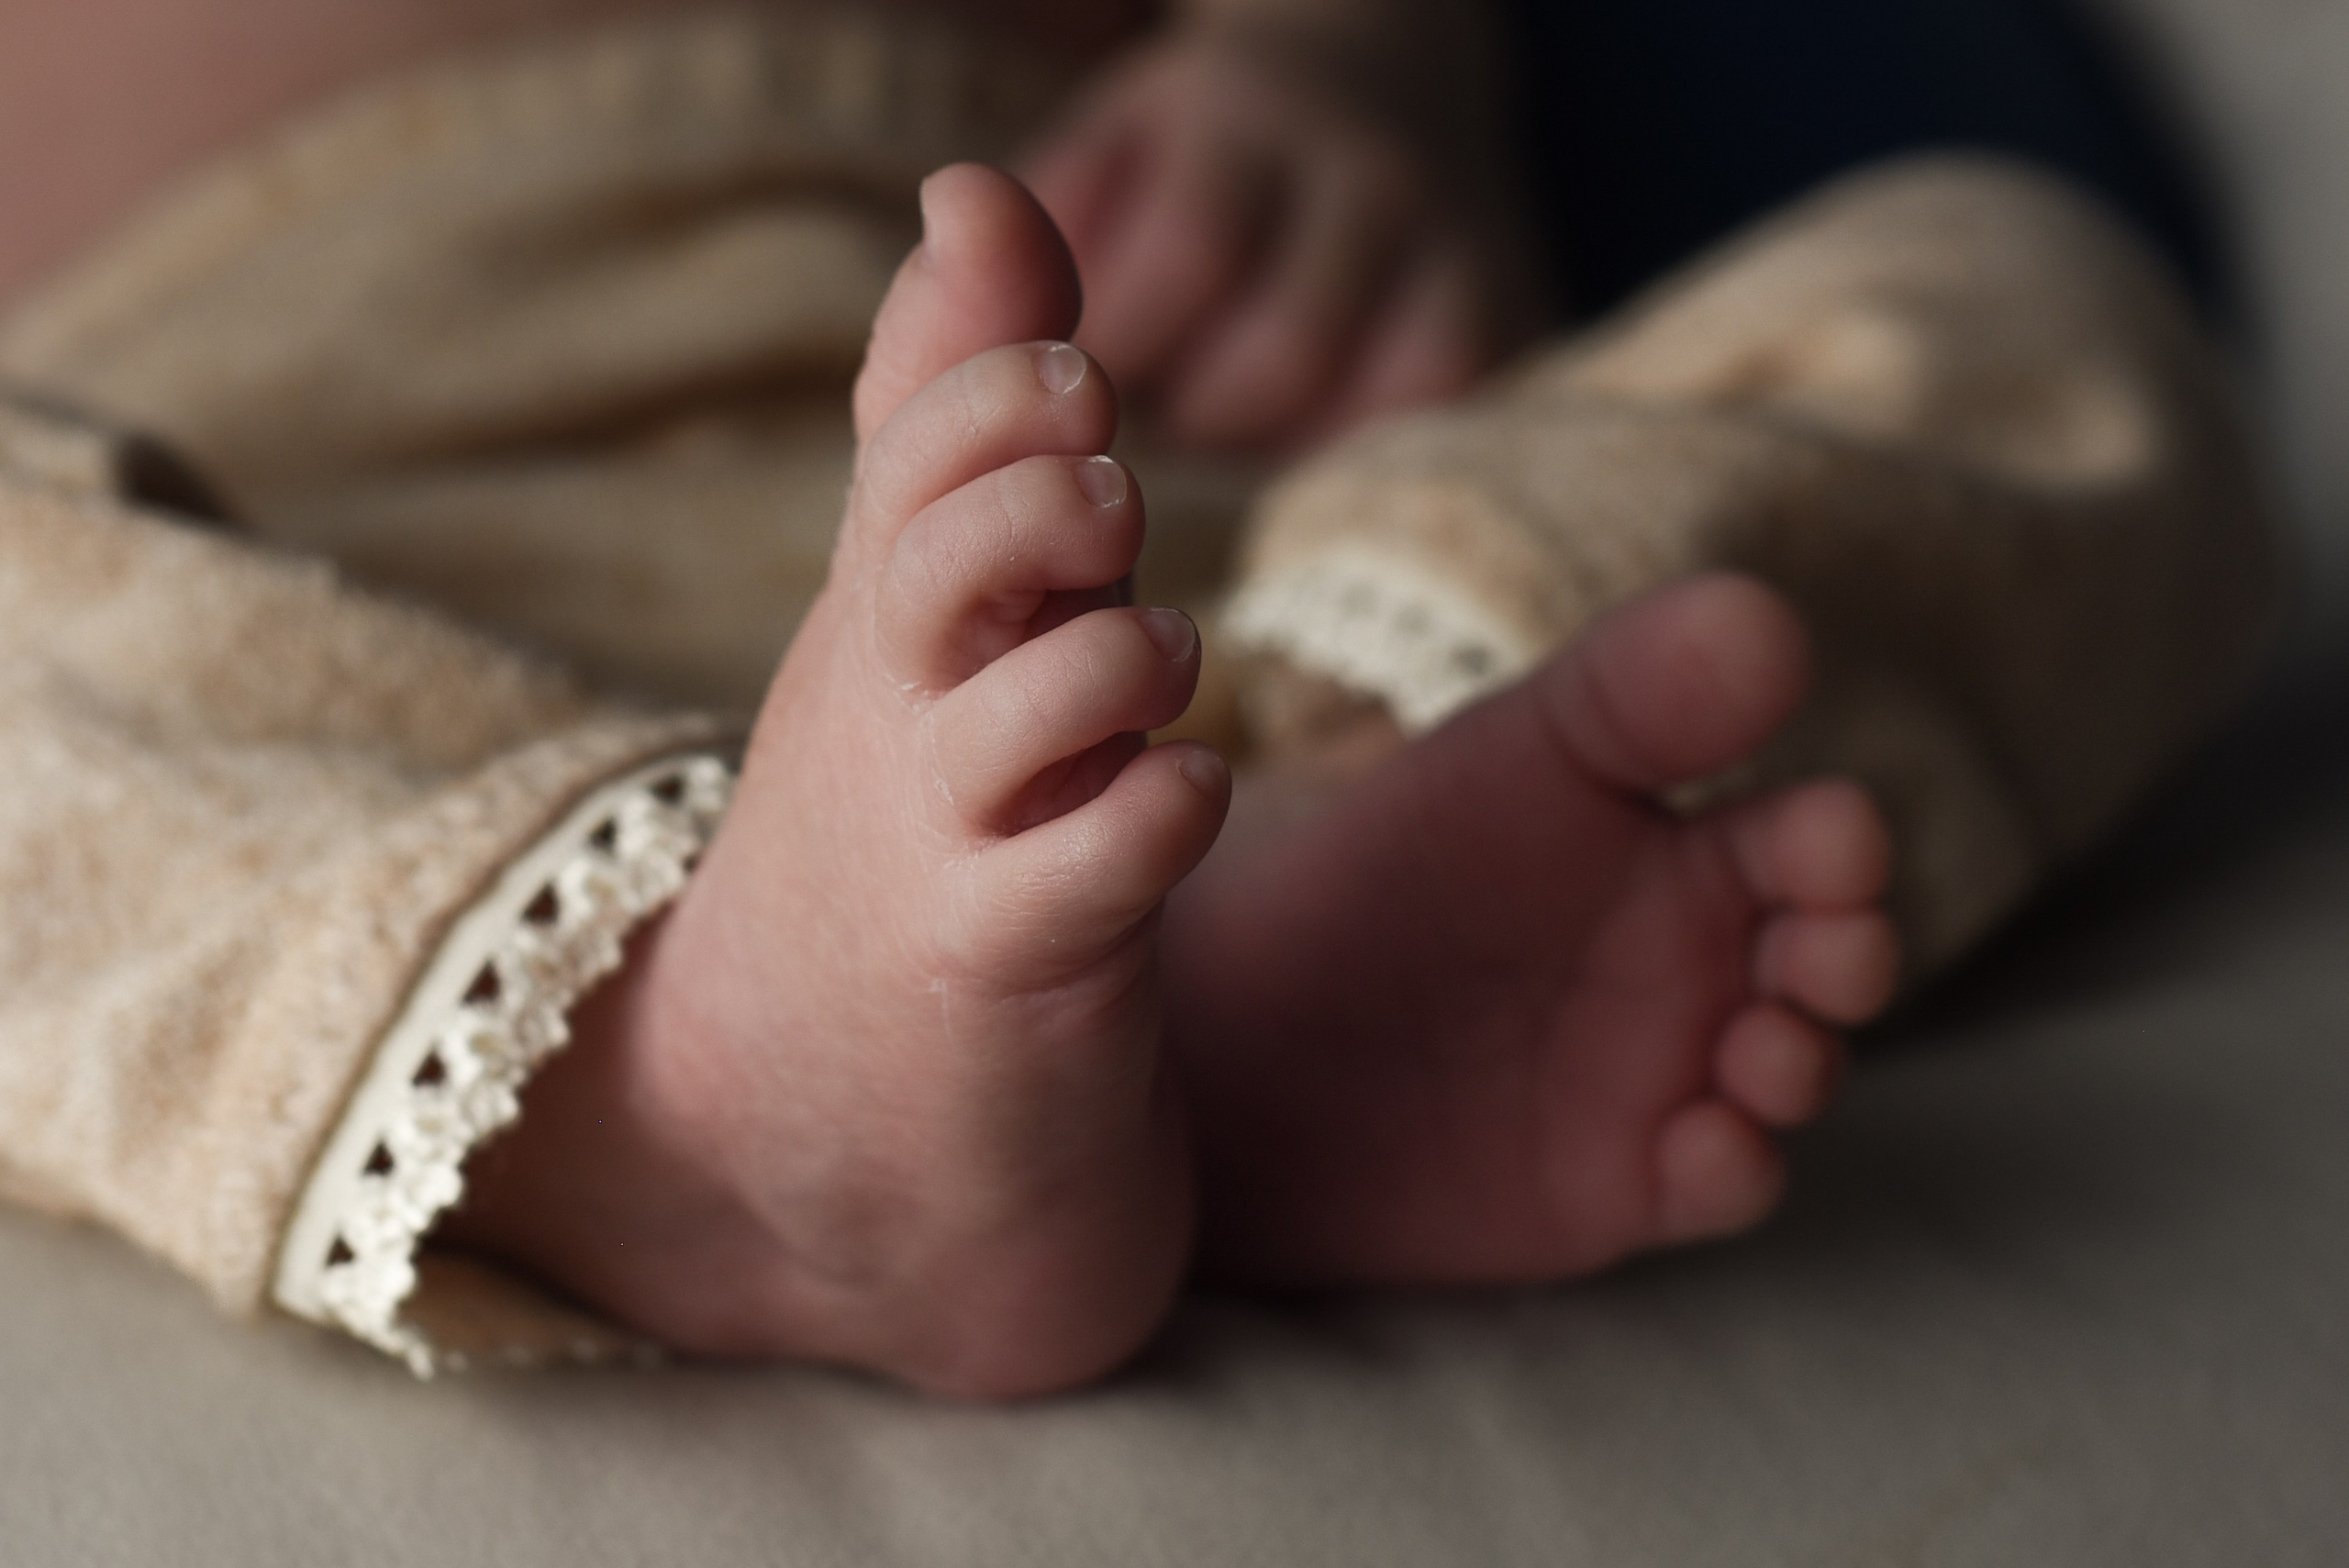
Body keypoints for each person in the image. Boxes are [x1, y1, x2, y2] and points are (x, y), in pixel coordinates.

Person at [0, 0, 2266, 1396]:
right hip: (289, 582)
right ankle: (686, 1099)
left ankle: (1283, 884)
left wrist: (1336, 76)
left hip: (1132, 541)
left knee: (2015, 298)